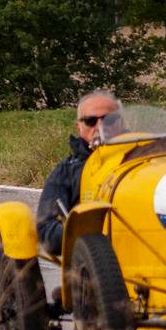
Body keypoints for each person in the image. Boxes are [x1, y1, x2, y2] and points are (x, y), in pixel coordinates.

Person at [37, 89, 121, 256]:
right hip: (96, 263)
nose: (100, 126)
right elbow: (46, 231)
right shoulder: (67, 170)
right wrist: (84, 230)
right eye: (90, 121)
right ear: (79, 127)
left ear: (121, 122)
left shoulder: (146, 156)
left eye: (109, 119)